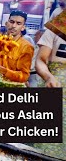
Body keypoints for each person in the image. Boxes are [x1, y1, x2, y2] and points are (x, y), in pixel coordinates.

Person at [34, 29, 66, 159]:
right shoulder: (57, 28)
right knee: (46, 147)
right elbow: (40, 60)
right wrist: (48, 77)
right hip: (54, 90)